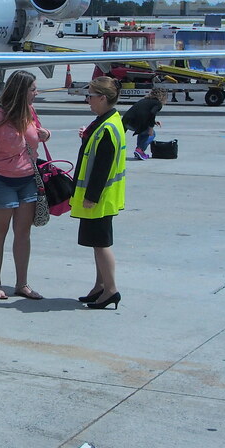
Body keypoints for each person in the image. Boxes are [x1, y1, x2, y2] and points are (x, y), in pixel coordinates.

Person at [0, 70, 50, 300]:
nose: (36, 93)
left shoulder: (28, 111)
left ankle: (22, 284)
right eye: (33, 89)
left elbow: (36, 133)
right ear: (20, 91)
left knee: (23, 233)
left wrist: (45, 134)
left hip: (27, 179)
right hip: (0, 179)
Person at [72, 76, 126, 310]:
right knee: (97, 243)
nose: (88, 101)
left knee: (102, 244)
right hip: (105, 196)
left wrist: (91, 197)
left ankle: (111, 289)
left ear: (103, 98)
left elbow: (102, 168)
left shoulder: (107, 128)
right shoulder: (107, 121)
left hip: (100, 197)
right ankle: (100, 286)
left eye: (91, 96)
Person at [122, 88, 167, 160]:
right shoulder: (158, 103)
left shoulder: (144, 100)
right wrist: (151, 128)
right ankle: (140, 150)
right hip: (135, 123)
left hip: (126, 121)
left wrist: (154, 121)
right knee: (152, 134)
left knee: (143, 131)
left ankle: (139, 150)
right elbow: (152, 113)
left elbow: (143, 113)